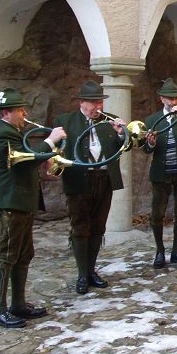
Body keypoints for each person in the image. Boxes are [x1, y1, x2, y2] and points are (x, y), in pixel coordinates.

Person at [0, 88, 66, 327]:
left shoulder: (10, 131)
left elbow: (26, 160)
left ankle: (18, 304)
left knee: (23, 255)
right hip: (10, 203)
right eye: (20, 110)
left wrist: (49, 156)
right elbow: (25, 158)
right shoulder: (2, 135)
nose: (24, 114)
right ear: (7, 112)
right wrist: (51, 141)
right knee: (7, 257)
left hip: (20, 203)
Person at [55, 80, 126, 295]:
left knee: (98, 227)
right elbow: (56, 151)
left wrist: (122, 134)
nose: (98, 107)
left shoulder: (110, 120)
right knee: (80, 227)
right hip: (78, 179)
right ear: (81, 103)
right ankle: (82, 273)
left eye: (100, 102)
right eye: (93, 103)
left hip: (104, 179)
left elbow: (123, 146)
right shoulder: (66, 121)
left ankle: (91, 269)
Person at [142, 78, 177, 268]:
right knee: (157, 213)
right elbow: (146, 150)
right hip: (161, 172)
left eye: (176, 98)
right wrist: (150, 142)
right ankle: (159, 251)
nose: (173, 102)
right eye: (169, 98)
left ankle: (176, 250)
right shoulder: (151, 120)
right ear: (161, 99)